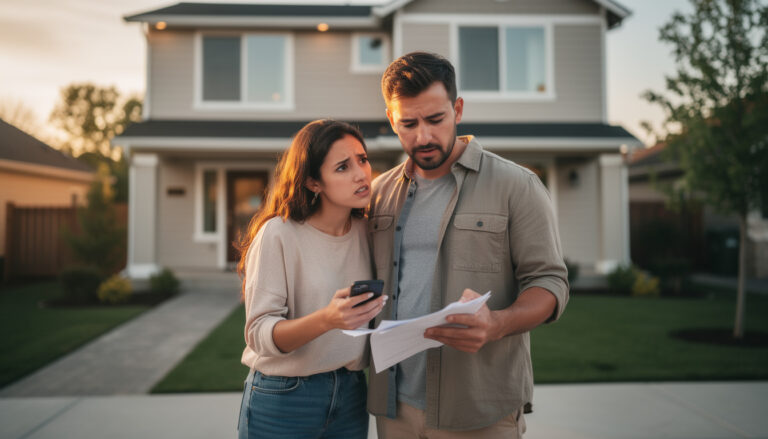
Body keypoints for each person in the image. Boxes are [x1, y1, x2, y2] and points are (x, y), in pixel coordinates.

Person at [367, 52, 570, 438]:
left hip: (480, 411)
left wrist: (497, 324)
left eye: (435, 119)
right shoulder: (378, 195)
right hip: (393, 409)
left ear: (457, 109)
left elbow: (549, 283)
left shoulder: (517, 185)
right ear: (392, 120)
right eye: (408, 123)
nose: (423, 136)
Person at [236, 119, 387, 439]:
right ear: (313, 182)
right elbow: (259, 333)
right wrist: (327, 319)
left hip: (351, 394)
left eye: (362, 159)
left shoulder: (369, 230)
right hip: (285, 398)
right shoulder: (278, 234)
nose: (362, 173)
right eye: (343, 167)